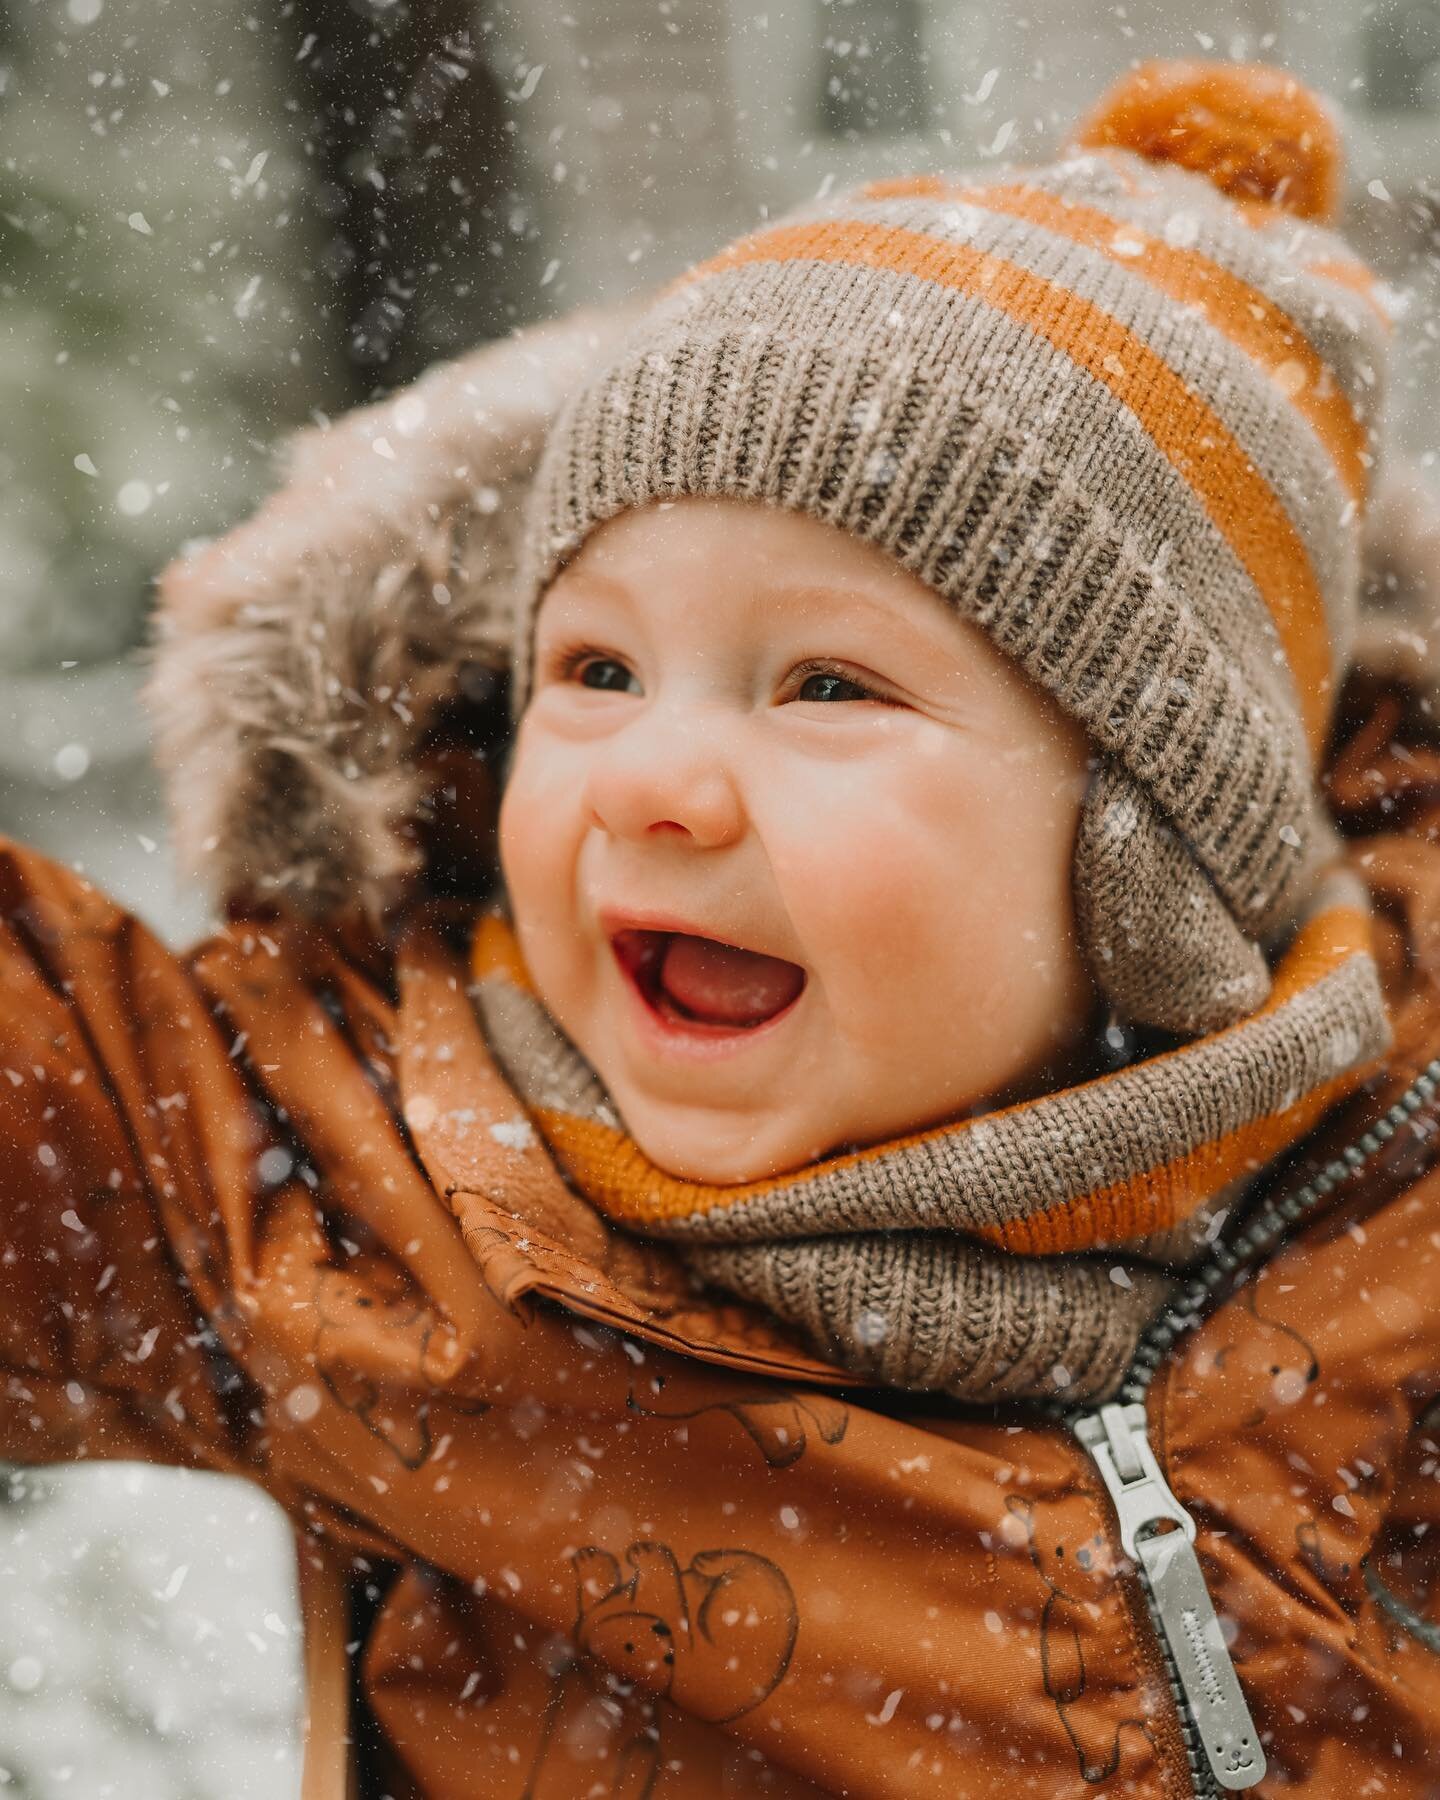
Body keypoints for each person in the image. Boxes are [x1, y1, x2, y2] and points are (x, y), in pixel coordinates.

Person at [4, 56, 1440, 1797]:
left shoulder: (1399, 1211)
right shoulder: (342, 1177)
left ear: (1149, 856)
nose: (650, 783)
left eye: (826, 685)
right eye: (594, 668)